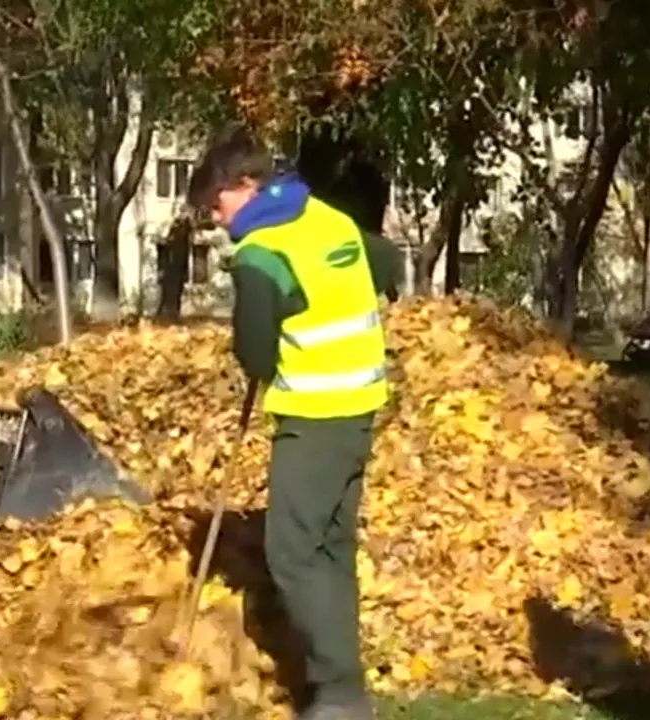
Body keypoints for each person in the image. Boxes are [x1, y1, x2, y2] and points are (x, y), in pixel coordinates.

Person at [187, 124, 398, 720]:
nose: (216, 218)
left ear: (246, 185)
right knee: (329, 547)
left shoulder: (260, 253)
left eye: (218, 203)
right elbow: (384, 262)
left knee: (292, 553)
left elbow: (254, 353)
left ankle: (338, 695)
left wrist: (263, 336)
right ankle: (342, 685)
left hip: (314, 414)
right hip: (360, 406)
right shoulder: (326, 219)